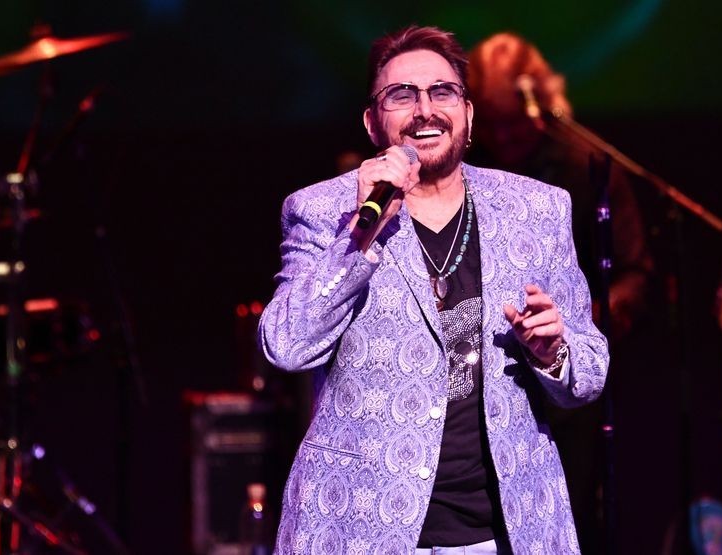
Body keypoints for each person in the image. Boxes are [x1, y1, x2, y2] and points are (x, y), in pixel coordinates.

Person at [258, 25, 609, 554]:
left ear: (467, 114)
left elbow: (590, 372)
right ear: (372, 122)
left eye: (442, 92)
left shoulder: (537, 210)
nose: (425, 110)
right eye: (402, 95)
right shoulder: (323, 211)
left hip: (505, 530)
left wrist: (553, 351)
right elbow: (285, 345)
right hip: (362, 528)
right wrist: (360, 239)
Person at [467, 32, 651, 553]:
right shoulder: (467, 172)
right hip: (484, 379)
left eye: (513, 122)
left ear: (541, 104)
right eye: (492, 124)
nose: (504, 136)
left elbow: (634, 273)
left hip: (567, 388)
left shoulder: (585, 167)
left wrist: (573, 329)